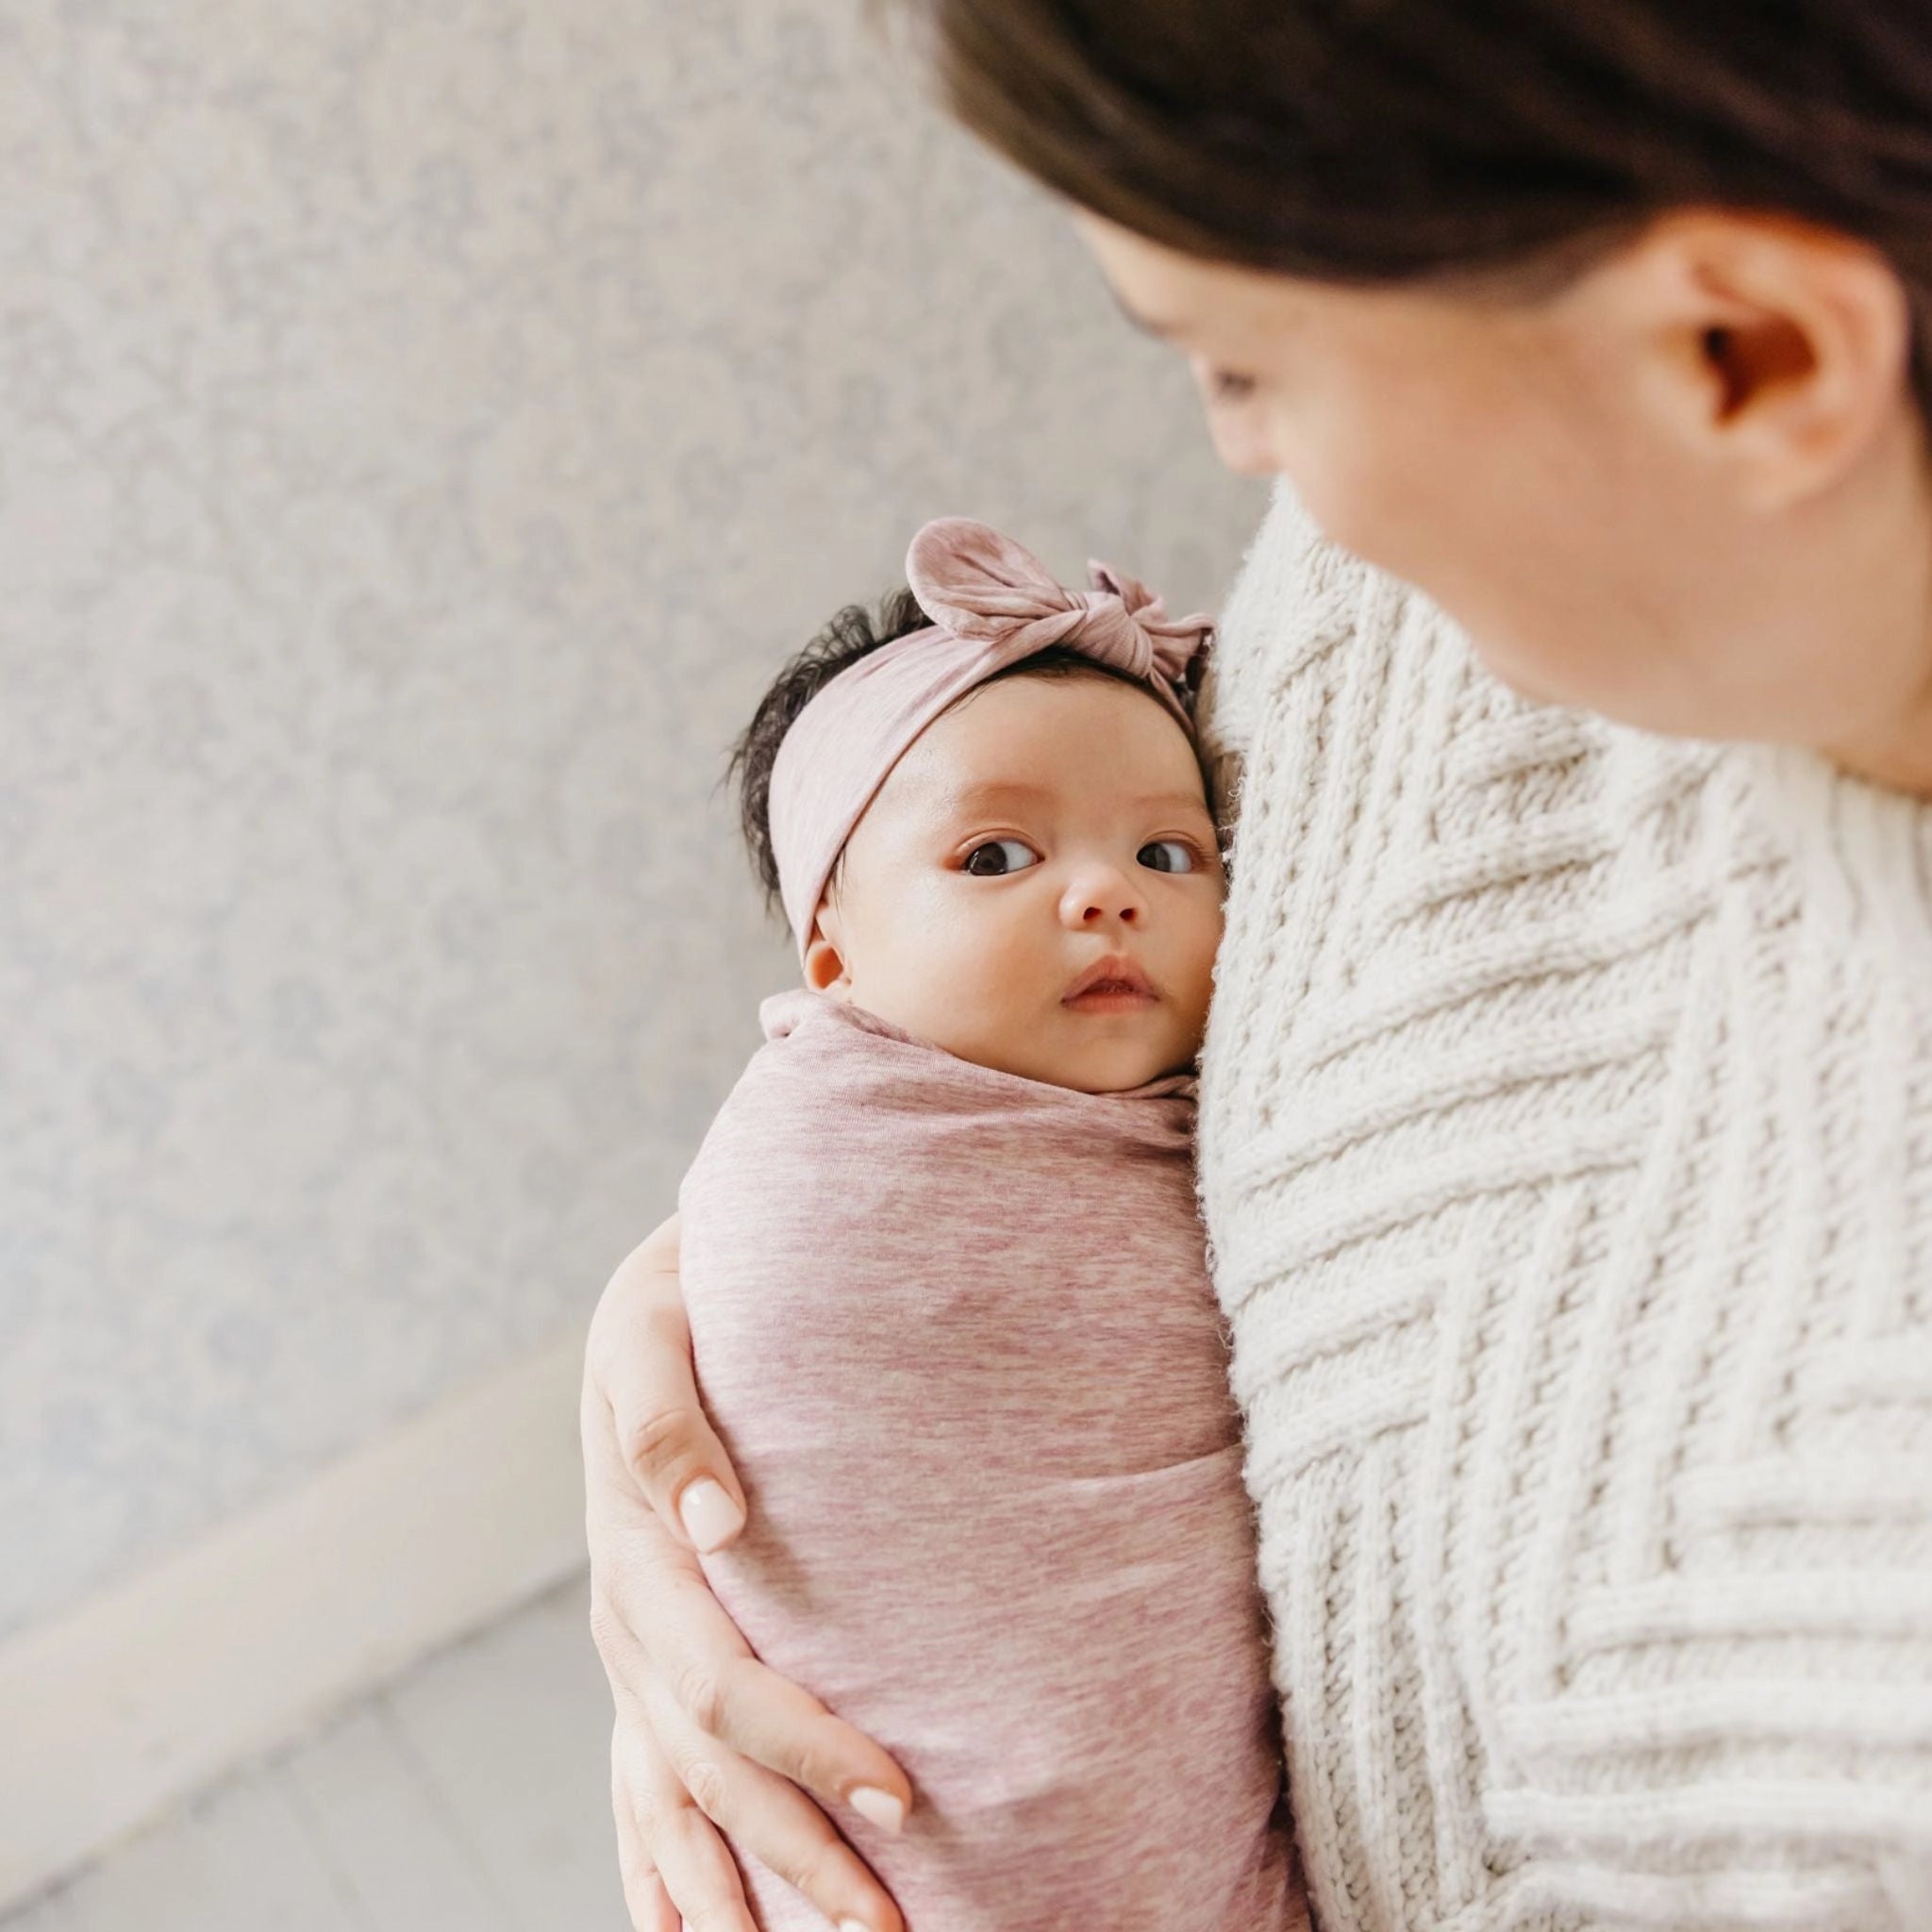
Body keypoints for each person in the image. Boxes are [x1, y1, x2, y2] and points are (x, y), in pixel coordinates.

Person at [582, 6, 1932, 1930]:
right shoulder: (1374, 638)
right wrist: (720, 1388)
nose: (1241, 471)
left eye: (1239, 365)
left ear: (1748, 358)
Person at [675, 514, 1298, 1932]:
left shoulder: (1219, 1112)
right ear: (832, 948)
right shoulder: (830, 1136)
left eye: (1171, 851)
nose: (1107, 893)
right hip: (908, 1850)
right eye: (997, 854)